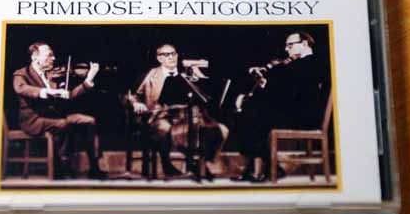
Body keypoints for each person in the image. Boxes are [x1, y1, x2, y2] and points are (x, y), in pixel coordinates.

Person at [234, 32, 328, 182]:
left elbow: (291, 94)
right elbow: (283, 90)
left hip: (305, 117)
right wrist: (264, 84)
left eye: (290, 45)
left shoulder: (311, 63)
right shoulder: (298, 64)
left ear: (304, 44)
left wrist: (266, 84)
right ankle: (261, 169)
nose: (286, 49)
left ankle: (264, 169)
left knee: (253, 116)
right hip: (295, 112)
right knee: (249, 115)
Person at [130, 43, 229, 180]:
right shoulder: (151, 74)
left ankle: (203, 163)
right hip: (161, 116)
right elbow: (133, 95)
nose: (171, 57)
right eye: (166, 54)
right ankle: (167, 164)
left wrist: (199, 79)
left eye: (173, 54)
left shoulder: (187, 73)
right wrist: (136, 103)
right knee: (163, 128)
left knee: (221, 129)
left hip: (189, 116)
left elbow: (207, 97)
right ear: (159, 58)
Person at [12, 42, 107, 179]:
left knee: (89, 121)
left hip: (53, 117)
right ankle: (61, 168)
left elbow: (69, 95)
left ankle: (94, 167)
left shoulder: (51, 76)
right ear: (35, 57)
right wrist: (47, 91)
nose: (54, 58)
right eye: (49, 55)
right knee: (63, 124)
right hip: (34, 119)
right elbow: (21, 88)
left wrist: (88, 79)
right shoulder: (22, 74)